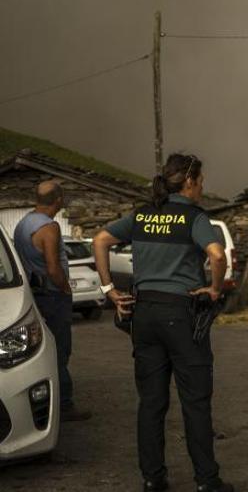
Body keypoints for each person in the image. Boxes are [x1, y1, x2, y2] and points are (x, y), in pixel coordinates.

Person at [92, 154, 232, 492]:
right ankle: (207, 481)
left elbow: (100, 240)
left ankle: (153, 479)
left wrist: (109, 289)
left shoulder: (142, 215)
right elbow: (216, 255)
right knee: (195, 401)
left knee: (151, 402)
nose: (202, 187)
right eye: (200, 181)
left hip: (144, 315)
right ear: (188, 182)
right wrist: (214, 289)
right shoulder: (195, 217)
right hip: (182, 315)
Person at [13, 180, 92, 422]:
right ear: (58, 200)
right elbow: (53, 266)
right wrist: (65, 289)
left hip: (34, 293)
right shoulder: (50, 227)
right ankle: (64, 404)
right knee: (60, 349)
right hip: (52, 295)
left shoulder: (23, 223)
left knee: (39, 349)